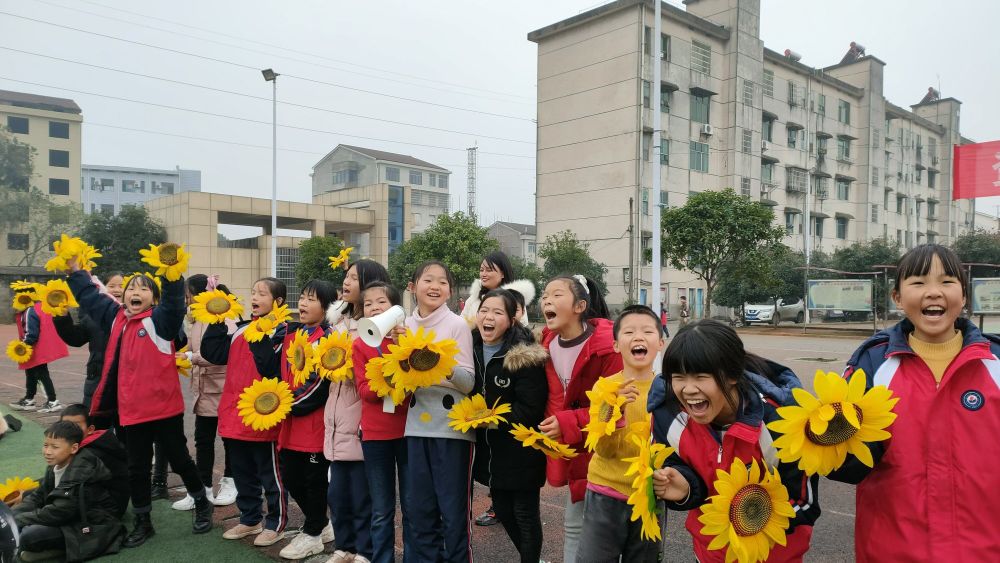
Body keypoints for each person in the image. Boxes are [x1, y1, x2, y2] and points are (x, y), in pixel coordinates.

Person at [826, 244, 1000, 562]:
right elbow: (841, 458)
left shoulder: (995, 363)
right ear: (897, 297)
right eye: (918, 282)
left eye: (947, 282)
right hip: (893, 549)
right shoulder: (873, 364)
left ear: (964, 295)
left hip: (984, 549)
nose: (933, 292)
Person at [65, 261, 213, 547]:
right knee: (137, 467)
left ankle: (201, 502)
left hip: (163, 409)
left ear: (153, 299)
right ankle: (143, 521)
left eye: (143, 288)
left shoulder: (160, 320)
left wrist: (171, 273)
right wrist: (75, 273)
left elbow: (173, 303)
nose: (135, 291)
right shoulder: (116, 318)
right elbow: (91, 298)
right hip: (130, 410)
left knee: (180, 460)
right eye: (131, 287)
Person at [647, 319, 819, 562]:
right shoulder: (668, 415)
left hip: (774, 555)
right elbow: (676, 463)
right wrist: (686, 487)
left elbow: (804, 501)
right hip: (709, 554)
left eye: (701, 377)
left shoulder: (779, 421)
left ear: (733, 375)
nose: (688, 389)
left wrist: (749, 518)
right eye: (679, 377)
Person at [536, 274, 621, 563]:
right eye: (545, 295)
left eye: (557, 294)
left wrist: (568, 422)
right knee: (573, 526)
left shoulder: (608, 347)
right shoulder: (547, 342)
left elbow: (617, 405)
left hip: (609, 452)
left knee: (612, 531)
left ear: (580, 306)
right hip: (573, 449)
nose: (547, 299)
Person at [201, 277, 290, 548]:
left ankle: (276, 523)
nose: (255, 297)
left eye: (262, 293)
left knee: (271, 476)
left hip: (265, 418)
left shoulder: (283, 331)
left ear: (279, 302)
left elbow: (272, 369)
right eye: (253, 292)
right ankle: (250, 518)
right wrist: (217, 315)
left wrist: (265, 331)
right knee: (242, 473)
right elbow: (213, 353)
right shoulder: (241, 330)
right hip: (234, 415)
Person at [576, 305, 666, 562]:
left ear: (660, 343)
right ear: (616, 345)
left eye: (647, 331)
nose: (638, 337)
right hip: (606, 491)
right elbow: (603, 449)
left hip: (648, 496)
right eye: (629, 332)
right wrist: (615, 412)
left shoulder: (668, 390)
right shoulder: (605, 387)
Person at [403, 261, 475, 562]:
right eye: (428, 280)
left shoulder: (457, 325)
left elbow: (468, 382)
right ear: (412, 286)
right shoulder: (404, 327)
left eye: (442, 282)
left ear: (449, 290)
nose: (435, 286)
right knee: (419, 508)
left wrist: (436, 364)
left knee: (452, 509)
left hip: (451, 430)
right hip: (415, 429)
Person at [471, 289, 548, 563]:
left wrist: (489, 420)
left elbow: (530, 409)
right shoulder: (470, 348)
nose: (488, 317)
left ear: (512, 320)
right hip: (490, 453)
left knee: (526, 516)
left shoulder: (524, 357)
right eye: (484, 310)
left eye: (497, 312)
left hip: (522, 450)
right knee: (503, 511)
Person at [324, 260, 391, 563]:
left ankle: (364, 550)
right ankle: (343, 546)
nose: (346, 282)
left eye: (354, 277)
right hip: (335, 418)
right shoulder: (337, 323)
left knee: (364, 495)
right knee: (337, 493)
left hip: (361, 419)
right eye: (346, 276)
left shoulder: (376, 330)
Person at [275, 280, 337, 560]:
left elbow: (318, 386)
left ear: (327, 307)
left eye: (311, 300)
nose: (302, 304)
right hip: (292, 423)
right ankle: (321, 523)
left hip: (313, 423)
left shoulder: (328, 338)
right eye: (301, 298)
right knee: (290, 476)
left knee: (313, 481)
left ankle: (313, 533)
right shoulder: (297, 334)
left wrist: (283, 404)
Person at [355, 281, 411, 563]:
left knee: (413, 506)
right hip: (376, 436)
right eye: (368, 304)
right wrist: (387, 379)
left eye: (382, 302)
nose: (375, 307)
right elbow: (364, 391)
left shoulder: (410, 340)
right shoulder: (360, 343)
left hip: (410, 433)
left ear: (395, 308)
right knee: (381, 509)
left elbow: (417, 386)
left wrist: (404, 347)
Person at [12, 421, 125, 562]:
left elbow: (58, 513)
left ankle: (57, 551)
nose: (47, 452)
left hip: (94, 526)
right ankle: (40, 550)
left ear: (74, 448)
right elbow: (38, 496)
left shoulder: (81, 473)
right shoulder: (56, 464)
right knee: (13, 519)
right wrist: (11, 516)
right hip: (69, 517)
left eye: (55, 447)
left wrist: (17, 520)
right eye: (46, 445)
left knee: (29, 535)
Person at [171, 274, 237, 511]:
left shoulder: (225, 317)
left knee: (230, 440)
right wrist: (183, 355)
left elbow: (224, 353)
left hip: (222, 389)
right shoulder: (198, 318)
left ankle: (231, 481)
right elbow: (194, 347)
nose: (187, 299)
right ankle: (203, 488)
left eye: (189, 294)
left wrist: (191, 357)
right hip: (203, 389)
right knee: (203, 440)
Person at [52, 272, 124, 414]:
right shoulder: (91, 313)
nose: (117, 290)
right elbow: (76, 338)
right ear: (103, 288)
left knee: (126, 427)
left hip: (127, 378)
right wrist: (62, 317)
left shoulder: (134, 314)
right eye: (112, 286)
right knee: (98, 425)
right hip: (98, 377)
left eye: (122, 286)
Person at [59, 403, 129, 517]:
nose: (69, 430)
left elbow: (67, 483)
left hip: (107, 509)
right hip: (100, 500)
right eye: (65, 425)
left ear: (90, 429)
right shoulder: (87, 443)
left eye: (76, 426)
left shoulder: (91, 453)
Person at [9, 284, 69, 413]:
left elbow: (31, 332)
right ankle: (29, 399)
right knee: (30, 372)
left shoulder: (30, 310)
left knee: (41, 374)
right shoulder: (38, 307)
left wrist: (24, 346)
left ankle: (52, 401)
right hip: (37, 346)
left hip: (34, 347)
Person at [461, 251, 536, 330]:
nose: (483, 274)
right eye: (481, 270)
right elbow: (461, 325)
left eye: (489, 270)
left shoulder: (515, 299)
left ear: (503, 274)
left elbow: (522, 328)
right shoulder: (473, 299)